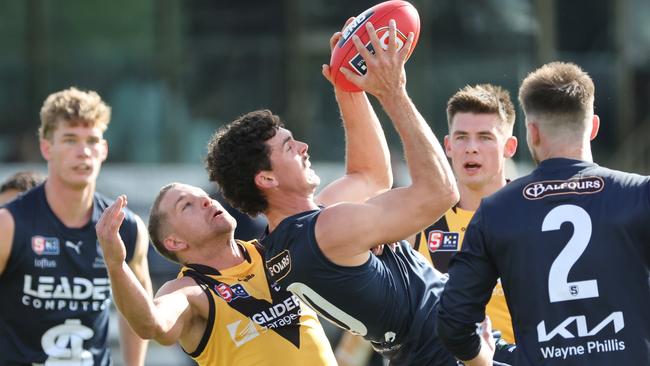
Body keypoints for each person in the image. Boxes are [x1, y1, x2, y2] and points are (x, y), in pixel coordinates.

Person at [207, 20, 472, 365]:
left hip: (430, 350)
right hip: (450, 351)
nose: (303, 146)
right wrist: (394, 92)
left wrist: (347, 84)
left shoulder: (291, 236)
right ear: (267, 179)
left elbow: (371, 175)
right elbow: (440, 192)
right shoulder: (329, 229)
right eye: (289, 147)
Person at [436, 61, 650, 365]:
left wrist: (491, 359)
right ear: (593, 127)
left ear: (531, 133)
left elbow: (453, 322)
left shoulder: (496, 211)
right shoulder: (639, 194)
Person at [95, 184, 338, 365]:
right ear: (174, 242)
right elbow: (151, 325)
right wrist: (117, 266)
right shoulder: (188, 291)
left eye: (205, 197)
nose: (206, 202)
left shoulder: (273, 249)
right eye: (186, 205)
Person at [0, 87, 152, 366]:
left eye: (92, 140)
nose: (83, 152)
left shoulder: (126, 226)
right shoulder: (8, 224)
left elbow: (139, 316)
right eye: (70, 140)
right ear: (47, 147)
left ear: (103, 150)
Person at [411, 84, 518, 343]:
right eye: (461, 137)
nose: (471, 148)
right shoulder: (417, 221)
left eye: (485, 137)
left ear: (509, 147)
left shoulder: (533, 216)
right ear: (448, 146)